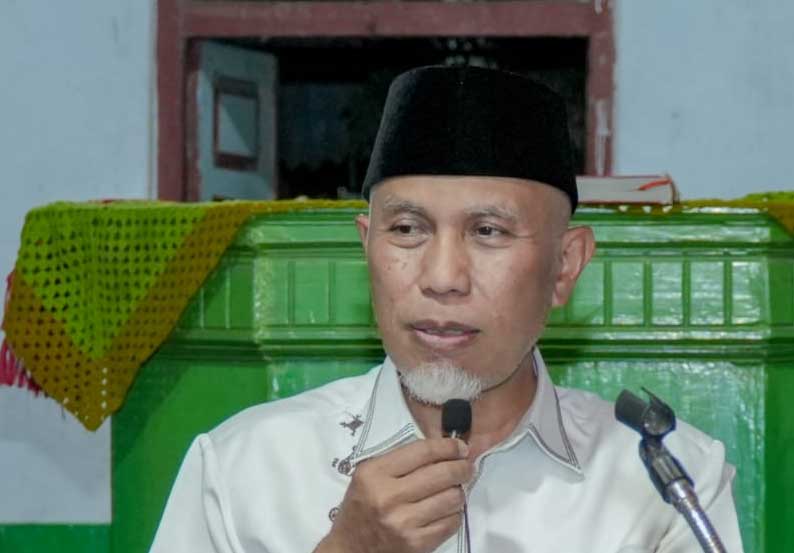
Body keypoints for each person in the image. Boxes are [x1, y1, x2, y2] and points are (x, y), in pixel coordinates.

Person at [150, 66, 743, 553]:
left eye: (488, 231)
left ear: (565, 266)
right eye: (407, 229)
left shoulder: (663, 482)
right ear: (367, 248)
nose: (441, 279)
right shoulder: (244, 470)